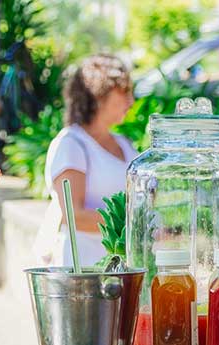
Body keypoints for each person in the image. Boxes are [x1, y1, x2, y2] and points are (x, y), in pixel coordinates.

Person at [36, 54, 137, 267]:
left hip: (124, 272)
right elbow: (73, 217)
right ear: (99, 93)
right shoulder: (71, 144)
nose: (131, 101)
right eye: (125, 91)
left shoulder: (125, 144)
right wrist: (136, 225)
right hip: (84, 274)